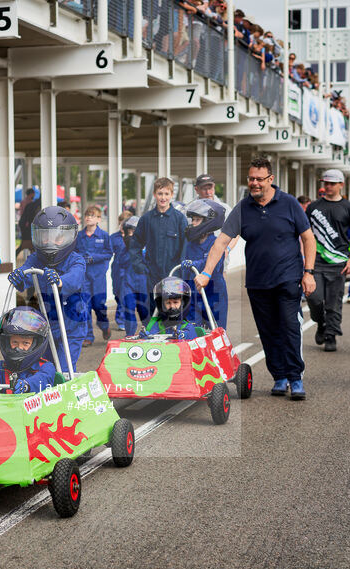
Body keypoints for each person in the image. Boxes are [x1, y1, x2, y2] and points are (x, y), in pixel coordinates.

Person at [194, 158, 317, 400]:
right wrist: (207, 272)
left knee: (290, 327)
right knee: (268, 330)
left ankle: (295, 377)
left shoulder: (289, 204)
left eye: (260, 179)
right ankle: (279, 376)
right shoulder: (243, 208)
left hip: (288, 278)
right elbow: (221, 241)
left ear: (271, 179)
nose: (255, 183)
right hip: (258, 282)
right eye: (251, 179)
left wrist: (309, 272)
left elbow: (308, 238)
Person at [8, 206, 87, 373]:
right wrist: (18, 276)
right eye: (45, 237)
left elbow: (75, 278)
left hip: (72, 325)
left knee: (64, 368)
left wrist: (59, 281)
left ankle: (66, 391)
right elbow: (27, 271)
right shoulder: (36, 258)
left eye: (57, 238)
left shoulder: (76, 260)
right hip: (46, 324)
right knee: (45, 367)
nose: (50, 242)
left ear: (69, 237)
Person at [305, 169, 350, 352]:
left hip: (339, 263)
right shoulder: (313, 207)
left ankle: (331, 334)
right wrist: (305, 259)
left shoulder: (349, 208)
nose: (327, 186)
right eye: (325, 183)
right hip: (316, 262)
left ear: (340, 185)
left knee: (334, 302)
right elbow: (304, 235)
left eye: (331, 183)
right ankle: (321, 323)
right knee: (314, 298)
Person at [127, 176, 187, 315]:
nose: (163, 197)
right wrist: (140, 266)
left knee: (173, 313)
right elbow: (135, 244)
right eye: (160, 193)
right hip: (152, 276)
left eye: (166, 194)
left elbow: (186, 247)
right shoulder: (146, 219)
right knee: (153, 312)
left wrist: (181, 272)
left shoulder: (179, 219)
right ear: (154, 195)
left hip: (174, 275)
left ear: (172, 195)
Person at [0, 306, 56, 394]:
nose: (19, 347)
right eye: (15, 342)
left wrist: (26, 386)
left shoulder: (46, 367)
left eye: (25, 343)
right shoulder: (1, 367)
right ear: (7, 342)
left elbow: (43, 379)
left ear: (36, 344)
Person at [180, 199, 227, 328]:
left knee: (216, 330)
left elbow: (215, 266)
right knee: (193, 330)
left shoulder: (216, 243)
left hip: (213, 292)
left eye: (197, 220)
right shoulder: (190, 244)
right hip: (194, 292)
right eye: (193, 220)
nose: (193, 223)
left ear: (208, 221)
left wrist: (195, 264)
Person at [75, 205, 113, 346]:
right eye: (87, 215)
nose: (88, 217)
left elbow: (109, 253)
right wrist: (81, 258)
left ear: (98, 219)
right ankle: (88, 337)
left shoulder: (104, 236)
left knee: (99, 305)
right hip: (83, 277)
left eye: (92, 215)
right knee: (84, 306)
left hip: (98, 277)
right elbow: (73, 254)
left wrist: (93, 257)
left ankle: (104, 326)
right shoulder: (79, 236)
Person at [116, 216, 149, 337]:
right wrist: (130, 249)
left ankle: (149, 333)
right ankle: (130, 335)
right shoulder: (124, 249)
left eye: (133, 232)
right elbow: (121, 262)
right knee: (128, 309)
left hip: (144, 283)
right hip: (128, 283)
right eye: (129, 232)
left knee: (145, 311)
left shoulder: (147, 247)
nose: (131, 235)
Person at [110, 210, 133, 331]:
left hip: (129, 270)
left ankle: (121, 320)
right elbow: (108, 251)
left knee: (125, 295)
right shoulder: (114, 237)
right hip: (117, 269)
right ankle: (121, 316)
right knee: (117, 294)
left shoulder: (135, 237)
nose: (122, 226)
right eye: (120, 223)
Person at [16, 188, 42, 257]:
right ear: (31, 194)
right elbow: (27, 214)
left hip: (23, 223)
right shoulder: (29, 203)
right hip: (26, 224)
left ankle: (32, 256)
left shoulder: (23, 202)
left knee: (27, 244)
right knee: (26, 243)